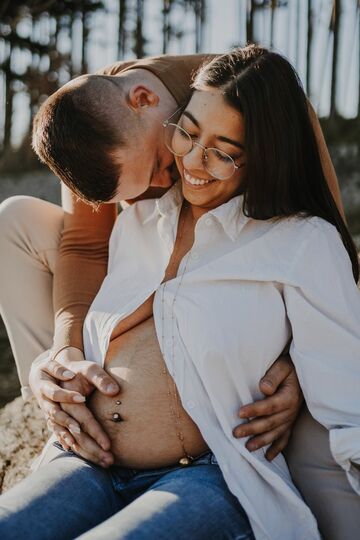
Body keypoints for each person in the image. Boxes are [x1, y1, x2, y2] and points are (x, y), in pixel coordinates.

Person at [1, 44, 360, 540]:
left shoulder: (294, 226)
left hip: (207, 469)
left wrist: (302, 362)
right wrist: (60, 355)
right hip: (87, 462)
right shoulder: (114, 159)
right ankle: (51, 405)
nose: (179, 171)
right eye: (186, 136)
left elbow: (331, 256)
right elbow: (84, 243)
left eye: (222, 150)